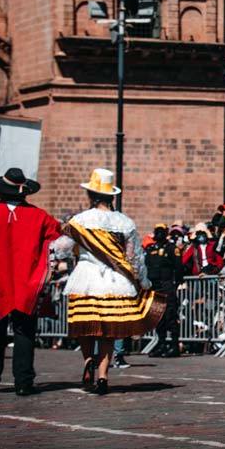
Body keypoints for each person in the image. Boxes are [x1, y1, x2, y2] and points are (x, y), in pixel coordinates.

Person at [51, 168, 161, 395]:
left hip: (86, 278)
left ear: (90, 195)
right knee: (108, 331)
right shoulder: (125, 222)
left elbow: (59, 249)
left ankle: (87, 361)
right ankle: (103, 376)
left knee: (85, 326)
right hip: (115, 281)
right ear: (112, 196)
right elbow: (134, 258)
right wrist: (143, 281)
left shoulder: (80, 221)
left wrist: (76, 246)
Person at [0, 169, 61, 396]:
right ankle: (23, 382)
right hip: (27, 284)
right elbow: (57, 244)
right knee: (25, 334)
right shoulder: (41, 217)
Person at [146, 223, 185, 358]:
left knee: (170, 316)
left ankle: (174, 345)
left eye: (162, 231)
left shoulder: (171, 249)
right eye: (157, 231)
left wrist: (177, 282)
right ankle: (161, 343)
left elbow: (179, 267)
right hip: (155, 287)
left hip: (167, 285)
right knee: (158, 317)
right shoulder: (150, 249)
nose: (159, 234)